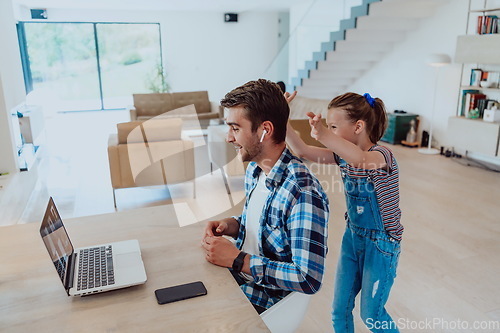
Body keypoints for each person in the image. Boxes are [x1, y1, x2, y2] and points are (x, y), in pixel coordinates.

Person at [201, 79, 329, 314]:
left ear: (265, 131)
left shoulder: (303, 193)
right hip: (243, 278)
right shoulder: (256, 169)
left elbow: (309, 279)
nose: (229, 137)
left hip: (268, 299)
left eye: (235, 128)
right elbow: (265, 227)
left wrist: (238, 260)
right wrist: (231, 225)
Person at [285, 91, 403, 332]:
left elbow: (360, 159)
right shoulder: (342, 158)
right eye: (329, 127)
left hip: (381, 246)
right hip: (352, 239)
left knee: (372, 314)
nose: (329, 132)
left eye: (334, 126)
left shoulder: (382, 156)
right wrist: (282, 116)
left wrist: (324, 134)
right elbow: (302, 150)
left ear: (358, 126)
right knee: (339, 310)